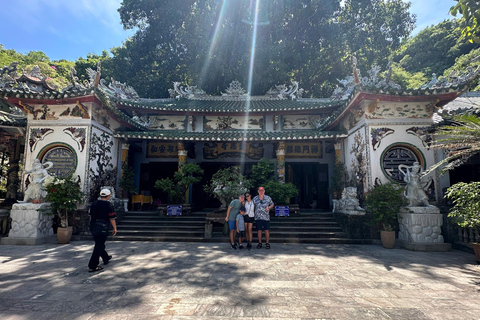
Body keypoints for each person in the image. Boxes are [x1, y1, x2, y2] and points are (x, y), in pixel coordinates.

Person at [88, 188, 117, 272]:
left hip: (94, 227)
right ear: (108, 196)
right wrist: (114, 228)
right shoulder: (109, 205)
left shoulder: (94, 204)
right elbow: (112, 218)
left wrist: (92, 225)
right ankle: (92, 265)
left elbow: (90, 216)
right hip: (103, 227)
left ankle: (105, 257)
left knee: (99, 243)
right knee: (98, 246)